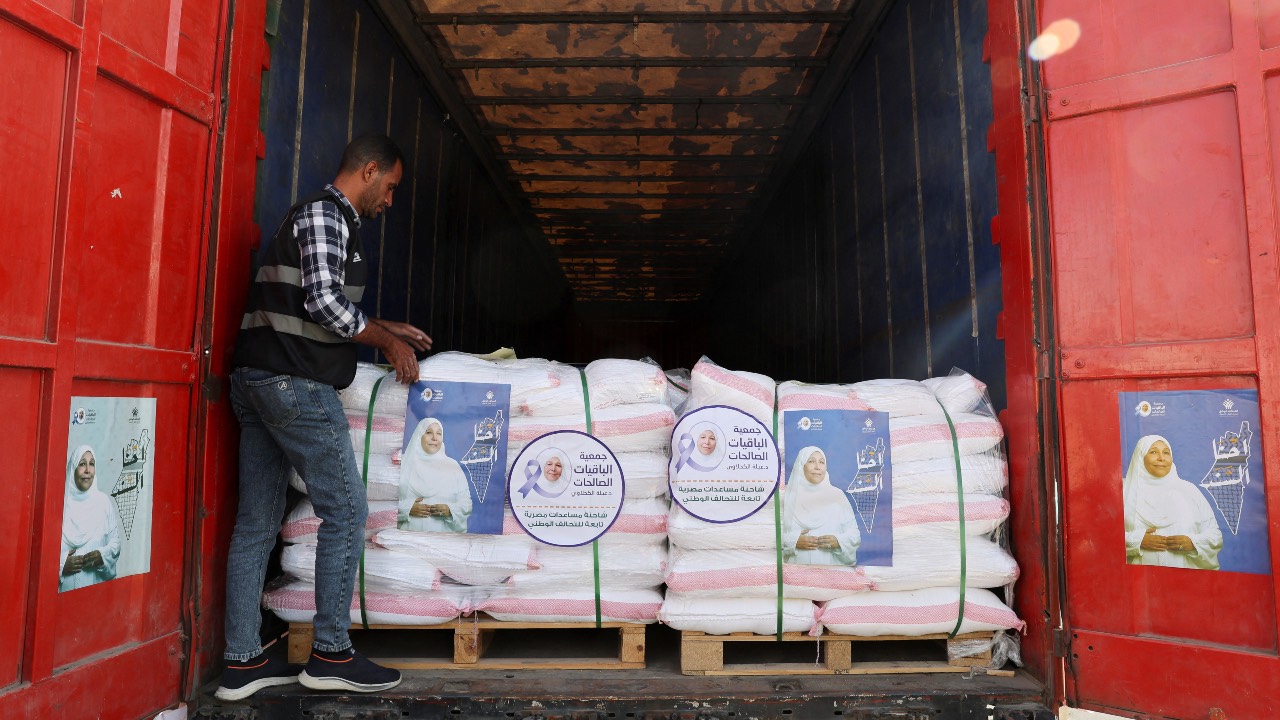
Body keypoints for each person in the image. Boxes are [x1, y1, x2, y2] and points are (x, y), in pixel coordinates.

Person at [217, 134, 432, 701]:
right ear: (368, 171)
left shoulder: (323, 221)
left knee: (257, 522)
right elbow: (325, 306)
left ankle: (240, 663)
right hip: (292, 385)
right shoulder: (325, 216)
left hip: (261, 380)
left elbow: (313, 302)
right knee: (347, 509)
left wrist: (386, 323)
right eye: (389, 188)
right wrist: (386, 342)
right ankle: (332, 652)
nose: (390, 201)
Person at [1123, 435, 1223, 569]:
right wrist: (1137, 541)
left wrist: (1192, 543)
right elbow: (1104, 539)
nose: (1161, 458)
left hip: (1185, 581)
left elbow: (1214, 536)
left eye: (1166, 452)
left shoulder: (1189, 491)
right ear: (1140, 457)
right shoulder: (1124, 491)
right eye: (1153, 452)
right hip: (1140, 582)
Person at [782, 446, 860, 566]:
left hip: (831, 572)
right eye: (811, 461)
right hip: (797, 572)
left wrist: (838, 541)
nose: (818, 467)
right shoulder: (786, 496)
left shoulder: (837, 496)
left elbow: (854, 535)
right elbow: (769, 535)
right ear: (801, 465)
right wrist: (793, 541)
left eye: (822, 462)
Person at [59, 445, 121, 591]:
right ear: (73, 468)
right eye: (82, 464)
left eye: (91, 464)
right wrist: (61, 565)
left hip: (96, 593)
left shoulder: (103, 502)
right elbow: (43, 553)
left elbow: (115, 542)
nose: (87, 470)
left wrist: (101, 556)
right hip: (62, 598)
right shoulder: (59, 505)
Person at [398, 418, 472, 533]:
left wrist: (450, 510)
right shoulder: (404, 464)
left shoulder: (452, 466)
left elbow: (466, 503)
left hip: (443, 540)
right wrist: (407, 508)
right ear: (419, 435)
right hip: (407, 539)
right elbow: (387, 503)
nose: (434, 438)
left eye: (439, 433)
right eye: (428, 432)